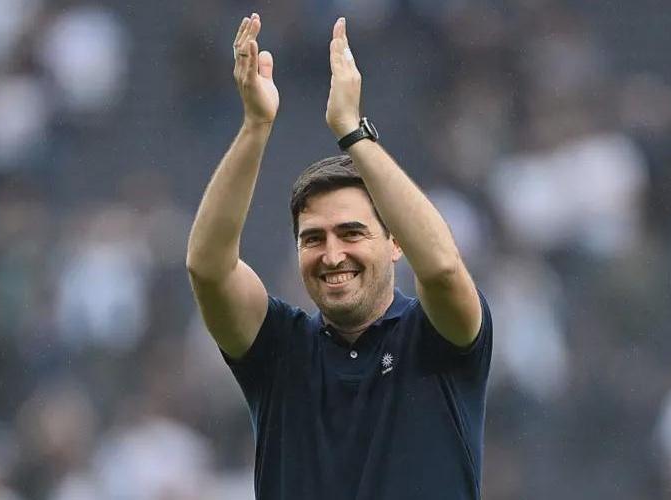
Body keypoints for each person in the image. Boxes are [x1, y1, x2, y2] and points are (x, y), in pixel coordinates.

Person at [186, 13, 493, 500]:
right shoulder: (280, 350)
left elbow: (441, 267)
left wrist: (353, 132)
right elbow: (207, 268)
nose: (332, 255)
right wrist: (255, 126)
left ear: (396, 243)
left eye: (352, 233)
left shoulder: (436, 338)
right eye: (313, 239)